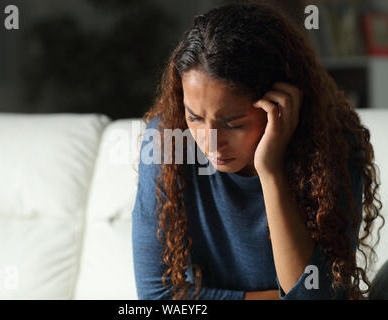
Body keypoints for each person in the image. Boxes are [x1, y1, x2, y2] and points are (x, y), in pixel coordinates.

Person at [132, 1, 384, 300]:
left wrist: (271, 171)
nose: (211, 143)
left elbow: (316, 298)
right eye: (195, 118)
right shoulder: (167, 140)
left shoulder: (333, 146)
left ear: (280, 104)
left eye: (233, 123)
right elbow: (155, 297)